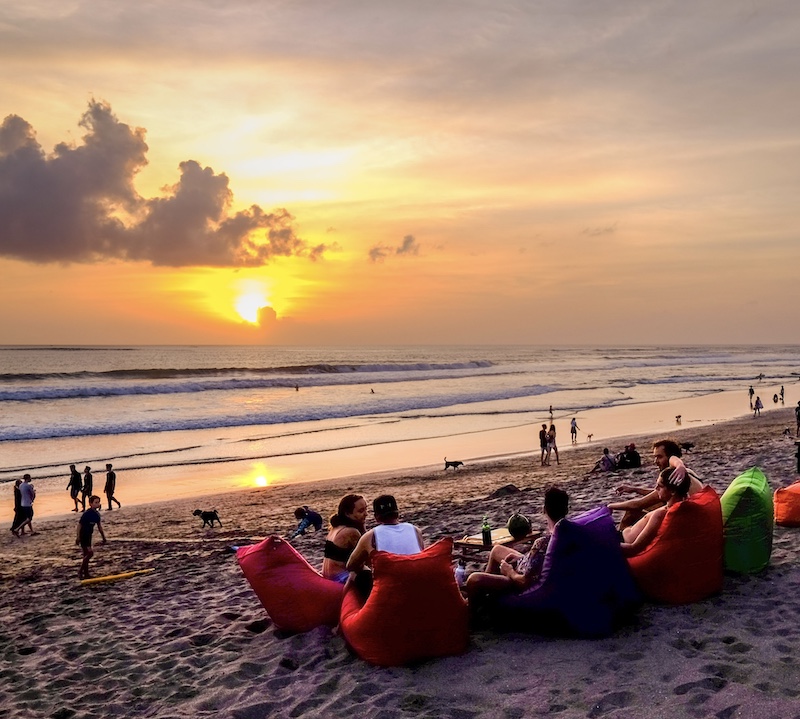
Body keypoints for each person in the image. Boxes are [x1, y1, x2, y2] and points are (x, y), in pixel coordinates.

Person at [465, 486, 569, 606]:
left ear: (544, 510)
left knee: (474, 579)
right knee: (497, 549)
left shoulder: (542, 543)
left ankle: (472, 611)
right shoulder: (568, 533)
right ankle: (485, 596)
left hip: (523, 580)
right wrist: (524, 558)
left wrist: (508, 571)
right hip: (533, 568)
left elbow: (524, 582)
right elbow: (540, 560)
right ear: (566, 510)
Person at [608, 438, 702, 530]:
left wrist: (609, 506)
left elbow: (638, 505)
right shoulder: (687, 473)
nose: (655, 461)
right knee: (654, 506)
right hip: (694, 513)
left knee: (631, 512)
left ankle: (620, 539)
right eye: (655, 457)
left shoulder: (674, 476)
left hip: (689, 522)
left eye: (659, 457)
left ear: (670, 458)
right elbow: (659, 494)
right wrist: (635, 489)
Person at [620, 467, 691, 557]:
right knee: (631, 513)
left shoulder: (660, 515)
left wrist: (608, 544)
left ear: (672, 491)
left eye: (660, 486)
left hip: (623, 540)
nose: (655, 488)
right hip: (625, 534)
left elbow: (633, 548)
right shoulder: (683, 506)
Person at [346, 495, 424, 575]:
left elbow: (351, 565)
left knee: (355, 576)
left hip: (390, 584)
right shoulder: (415, 530)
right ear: (397, 513)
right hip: (417, 579)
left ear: (376, 517)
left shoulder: (370, 536)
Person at [322, 494, 367, 583]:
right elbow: (366, 559)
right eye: (361, 511)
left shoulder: (335, 528)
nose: (366, 514)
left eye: (366, 509)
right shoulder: (351, 532)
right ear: (347, 514)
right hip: (339, 579)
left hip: (327, 576)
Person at [77, 495, 107, 579]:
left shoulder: (97, 515)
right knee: (90, 553)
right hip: (83, 535)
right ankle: (80, 571)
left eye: (98, 502)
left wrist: (103, 537)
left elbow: (99, 527)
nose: (98, 504)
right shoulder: (87, 514)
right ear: (90, 504)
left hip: (89, 535)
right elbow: (79, 525)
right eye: (96, 502)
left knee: (86, 554)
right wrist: (78, 536)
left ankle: (86, 573)